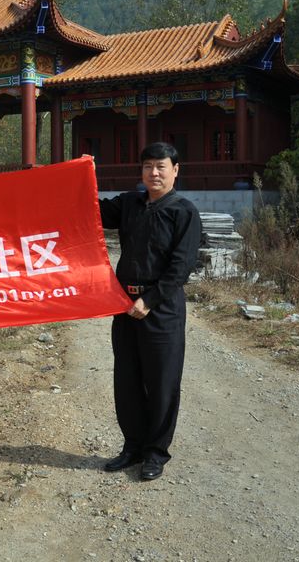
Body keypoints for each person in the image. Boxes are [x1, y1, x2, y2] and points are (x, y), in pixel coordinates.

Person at [98, 142, 201, 481]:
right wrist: (73, 175)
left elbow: (181, 266)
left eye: (160, 166)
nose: (153, 173)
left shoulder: (183, 211)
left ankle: (155, 453)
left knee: (161, 382)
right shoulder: (129, 203)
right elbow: (90, 210)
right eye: (147, 166)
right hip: (124, 305)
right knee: (126, 380)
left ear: (175, 170)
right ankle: (132, 447)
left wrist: (150, 300)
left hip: (161, 309)